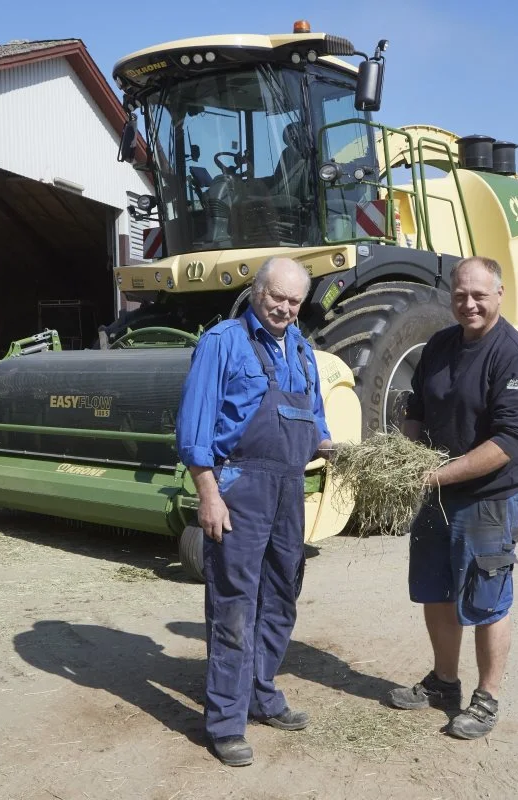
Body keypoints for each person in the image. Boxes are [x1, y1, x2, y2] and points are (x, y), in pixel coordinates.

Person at [175, 256, 335, 767]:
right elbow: (194, 427)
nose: (284, 308)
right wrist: (209, 493)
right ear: (256, 291)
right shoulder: (223, 341)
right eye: (276, 297)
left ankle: (262, 693)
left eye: (294, 301)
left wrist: (331, 445)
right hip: (238, 484)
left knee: (283, 594)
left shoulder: (305, 350)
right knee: (234, 604)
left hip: (289, 487)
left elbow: (314, 418)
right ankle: (225, 721)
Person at [386, 256, 518, 740]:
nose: (469, 304)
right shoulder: (440, 344)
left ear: (499, 295)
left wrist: (438, 475)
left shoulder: (516, 357)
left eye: (479, 295)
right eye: (460, 295)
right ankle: (443, 682)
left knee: (485, 600)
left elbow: (510, 442)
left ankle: (487, 697)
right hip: (436, 493)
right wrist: (410, 452)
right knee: (435, 590)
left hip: (487, 500)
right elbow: (416, 402)